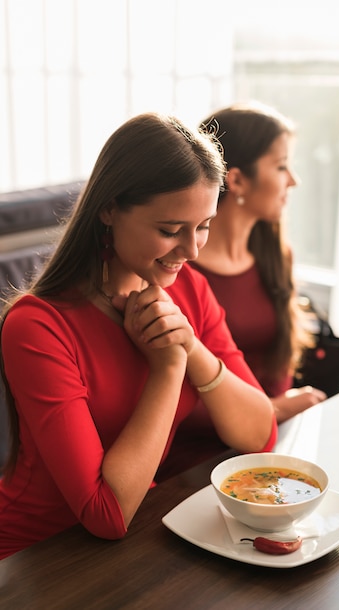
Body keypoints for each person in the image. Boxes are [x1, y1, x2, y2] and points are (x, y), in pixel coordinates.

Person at [0, 112, 277, 559]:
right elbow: (106, 513)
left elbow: (260, 435)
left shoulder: (188, 288)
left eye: (203, 225)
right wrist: (169, 368)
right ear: (108, 209)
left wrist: (192, 348)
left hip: (134, 540)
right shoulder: (38, 326)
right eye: (170, 231)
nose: (191, 251)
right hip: (35, 558)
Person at [156, 103, 326, 482]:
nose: (292, 181)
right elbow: (174, 400)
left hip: (273, 447)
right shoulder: (176, 273)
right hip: (198, 467)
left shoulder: (273, 255)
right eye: (281, 166)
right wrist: (274, 409)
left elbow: (279, 357)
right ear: (237, 181)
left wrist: (278, 416)